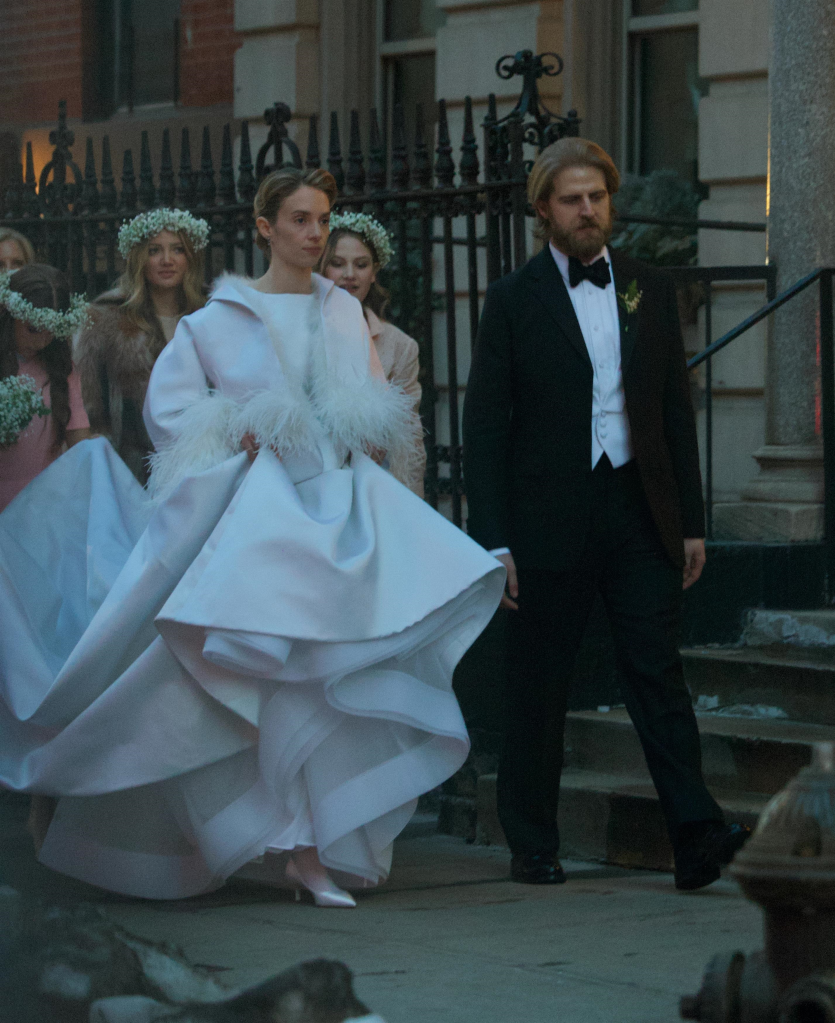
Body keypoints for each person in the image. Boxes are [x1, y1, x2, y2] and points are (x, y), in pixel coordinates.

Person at [0, 166, 505, 905]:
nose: (315, 233)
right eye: (300, 219)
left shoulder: (342, 311)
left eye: (322, 219)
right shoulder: (216, 319)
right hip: (252, 514)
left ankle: (312, 844)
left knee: (321, 679)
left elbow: (367, 403)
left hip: (334, 509)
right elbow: (171, 412)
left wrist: (360, 436)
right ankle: (275, 842)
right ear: (265, 227)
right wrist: (230, 428)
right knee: (256, 679)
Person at [462, 137, 749, 891]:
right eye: (572, 199)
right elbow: (485, 427)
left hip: (638, 509)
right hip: (545, 518)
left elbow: (673, 409)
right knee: (540, 680)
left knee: (657, 671)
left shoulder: (648, 286)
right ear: (543, 210)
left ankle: (696, 835)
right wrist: (493, 540)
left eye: (596, 196)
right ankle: (532, 842)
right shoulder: (512, 298)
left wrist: (690, 520)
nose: (587, 210)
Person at [75, 209, 209, 484]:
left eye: (178, 249)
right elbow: (88, 402)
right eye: (154, 251)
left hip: (204, 464)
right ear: (139, 259)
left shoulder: (211, 313)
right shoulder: (106, 319)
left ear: (190, 257)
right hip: (131, 471)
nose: (167, 260)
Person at [319, 213, 426, 496]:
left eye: (361, 264)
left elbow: (409, 440)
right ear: (322, 268)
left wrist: (409, 506)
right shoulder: (300, 331)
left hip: (372, 490)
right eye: (337, 263)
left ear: (374, 272)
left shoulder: (400, 346)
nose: (349, 274)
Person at [0, 264, 92, 513]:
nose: (42, 340)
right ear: (10, 315)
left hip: (44, 506)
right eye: (33, 328)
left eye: (52, 330)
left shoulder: (62, 367)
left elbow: (80, 443)